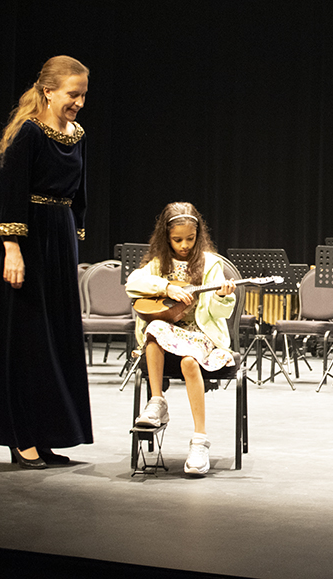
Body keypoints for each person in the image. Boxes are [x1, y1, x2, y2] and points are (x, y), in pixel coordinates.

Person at [0, 55, 93, 469]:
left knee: (55, 341)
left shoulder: (77, 135)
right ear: (48, 91)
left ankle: (46, 435)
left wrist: (71, 245)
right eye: (72, 94)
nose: (78, 102)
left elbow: (78, 197)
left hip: (60, 239)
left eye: (83, 95)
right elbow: (7, 192)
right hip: (29, 239)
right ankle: (20, 436)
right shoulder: (29, 132)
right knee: (28, 341)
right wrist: (12, 248)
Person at [126, 202, 237, 476]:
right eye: (177, 240)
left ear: (198, 236)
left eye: (190, 238)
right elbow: (132, 283)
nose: (184, 245)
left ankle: (200, 440)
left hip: (200, 335)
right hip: (167, 335)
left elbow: (218, 313)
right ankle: (157, 402)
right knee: (155, 328)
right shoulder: (158, 263)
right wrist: (166, 287)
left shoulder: (211, 263)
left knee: (189, 361)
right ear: (166, 237)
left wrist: (222, 296)